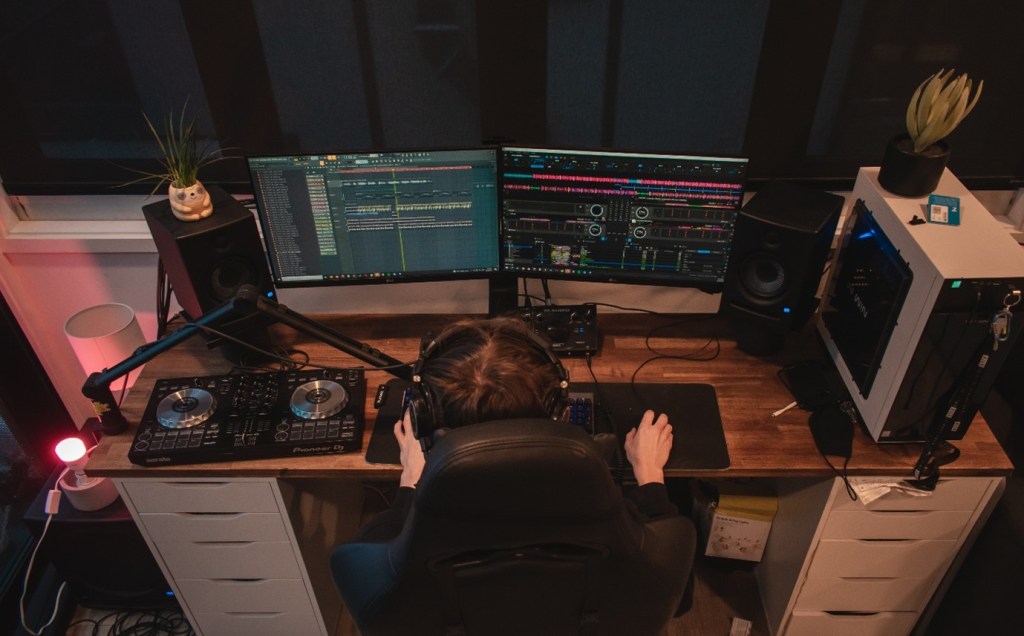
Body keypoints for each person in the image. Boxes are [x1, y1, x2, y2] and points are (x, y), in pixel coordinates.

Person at [355, 316, 679, 540]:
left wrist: (410, 481)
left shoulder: (407, 530)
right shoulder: (601, 507)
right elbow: (673, 591)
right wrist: (649, 475)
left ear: (426, 420)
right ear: (559, 411)